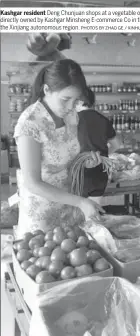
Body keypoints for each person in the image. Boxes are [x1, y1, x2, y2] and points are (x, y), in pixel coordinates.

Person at [14, 59, 104, 238]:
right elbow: (32, 182)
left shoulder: (71, 116)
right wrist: (80, 202)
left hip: (70, 206)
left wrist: (84, 162)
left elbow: (67, 156)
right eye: (65, 99)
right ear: (47, 90)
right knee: (47, 258)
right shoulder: (30, 124)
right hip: (41, 214)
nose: (71, 106)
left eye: (76, 99)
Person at [76, 89, 121, 205]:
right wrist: (102, 155)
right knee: (94, 212)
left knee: (79, 213)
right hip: (100, 173)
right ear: (93, 102)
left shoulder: (74, 120)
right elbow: (117, 145)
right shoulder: (103, 120)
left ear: (79, 102)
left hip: (80, 172)